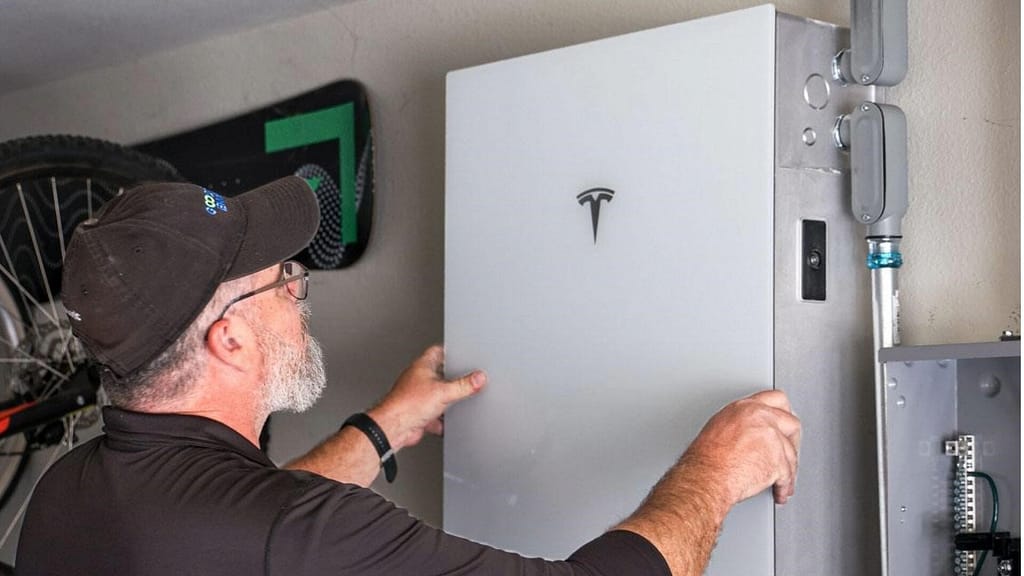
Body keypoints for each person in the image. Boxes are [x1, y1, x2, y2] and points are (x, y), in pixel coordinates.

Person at [15, 176, 800, 575]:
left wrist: (382, 429)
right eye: (284, 277)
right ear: (231, 341)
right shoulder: (287, 530)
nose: (299, 292)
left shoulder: (66, 496)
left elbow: (258, 532)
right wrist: (717, 467)